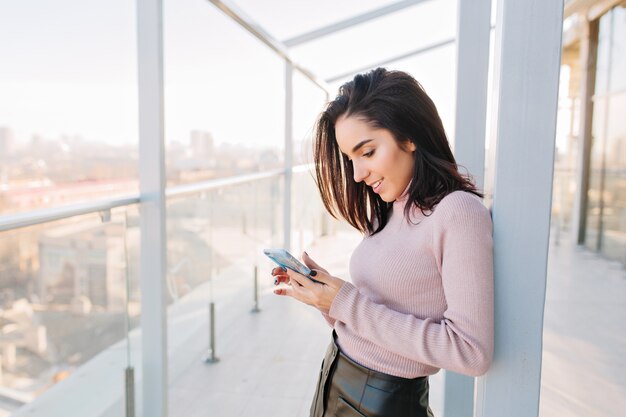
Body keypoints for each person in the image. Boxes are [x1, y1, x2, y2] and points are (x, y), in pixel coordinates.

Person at [271, 67, 494, 417]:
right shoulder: (389, 209)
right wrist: (325, 299)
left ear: (410, 137)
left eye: (368, 152)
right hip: (335, 379)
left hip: (383, 401)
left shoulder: (458, 212)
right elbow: (371, 318)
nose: (357, 174)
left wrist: (346, 302)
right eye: (351, 159)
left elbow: (470, 351)